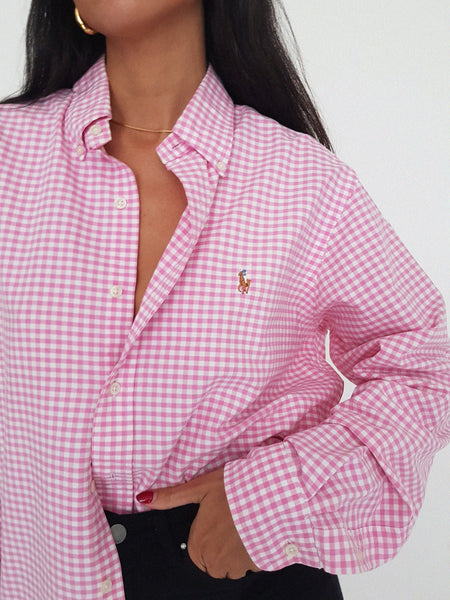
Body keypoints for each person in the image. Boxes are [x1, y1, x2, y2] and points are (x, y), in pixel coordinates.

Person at [0, 1, 448, 599]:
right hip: (45, 569)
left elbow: (427, 366)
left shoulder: (304, 182)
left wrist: (270, 501)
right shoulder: (9, 157)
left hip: (247, 570)